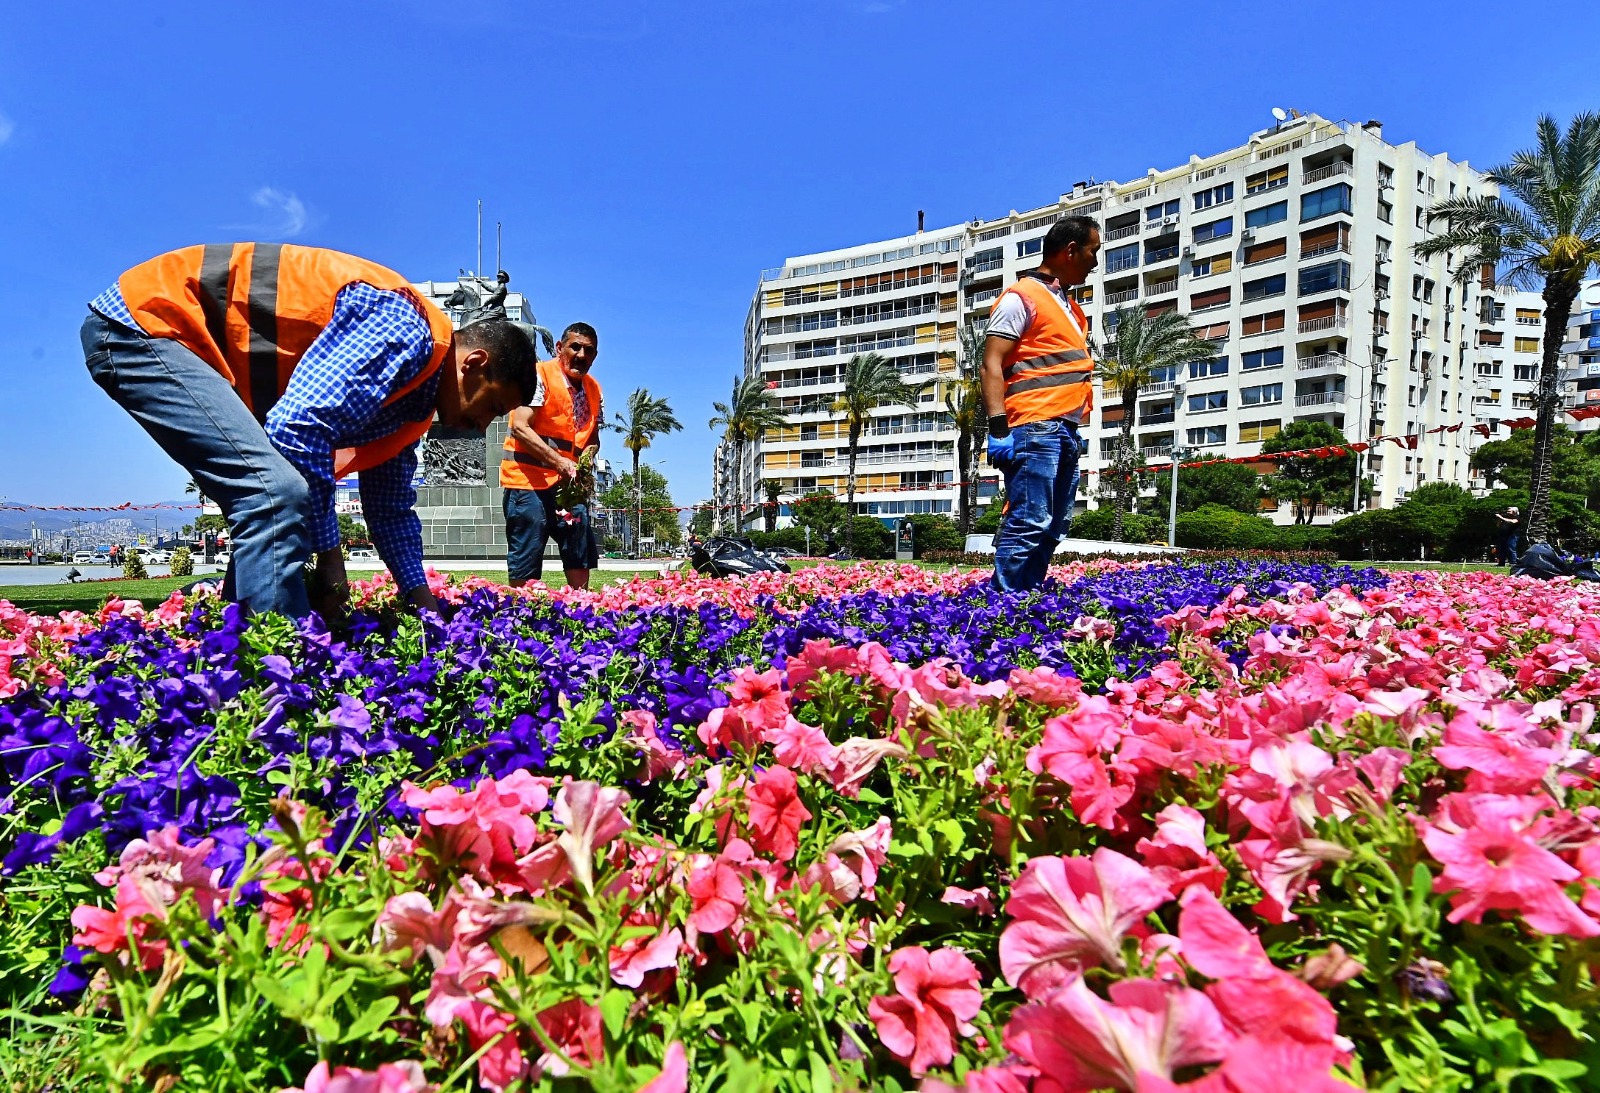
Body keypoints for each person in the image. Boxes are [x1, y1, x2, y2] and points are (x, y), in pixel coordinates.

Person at [82, 243, 539, 619]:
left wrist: (423, 604)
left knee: (271, 497)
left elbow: (390, 510)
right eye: (493, 408)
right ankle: (274, 678)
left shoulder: (413, 403)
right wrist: (331, 563)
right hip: (148, 323)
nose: (482, 428)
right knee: (273, 494)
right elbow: (297, 429)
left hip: (170, 336)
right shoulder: (408, 334)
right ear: (474, 365)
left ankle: (231, 643)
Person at [981, 216, 1101, 591]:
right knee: (1031, 517)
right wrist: (999, 430)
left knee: (1054, 523)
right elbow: (991, 364)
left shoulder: (1070, 308)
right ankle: (1005, 601)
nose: (1095, 262)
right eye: (1092, 252)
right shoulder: (1021, 297)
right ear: (1070, 251)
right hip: (1034, 425)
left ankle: (1027, 597)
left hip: (1064, 427)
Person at [498, 323, 603, 589]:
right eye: (575, 347)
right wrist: (560, 462)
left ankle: (582, 606)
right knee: (527, 554)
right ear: (559, 348)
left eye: (588, 350)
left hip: (567, 485)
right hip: (527, 482)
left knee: (579, 543)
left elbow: (592, 438)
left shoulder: (594, 390)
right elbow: (520, 427)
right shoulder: (539, 376)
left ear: (594, 356)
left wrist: (586, 463)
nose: (581, 355)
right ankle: (522, 613)